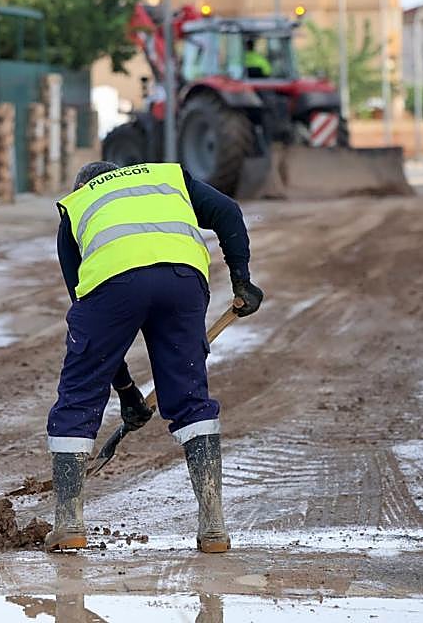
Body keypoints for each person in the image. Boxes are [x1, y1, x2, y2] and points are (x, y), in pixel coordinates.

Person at [45, 161, 263, 554]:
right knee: (190, 396)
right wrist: (241, 280)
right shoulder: (165, 179)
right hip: (182, 279)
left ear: (83, 186)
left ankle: (69, 524)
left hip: (113, 286)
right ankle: (213, 527)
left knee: (79, 393)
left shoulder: (77, 206)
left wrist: (124, 388)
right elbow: (228, 211)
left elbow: (93, 330)